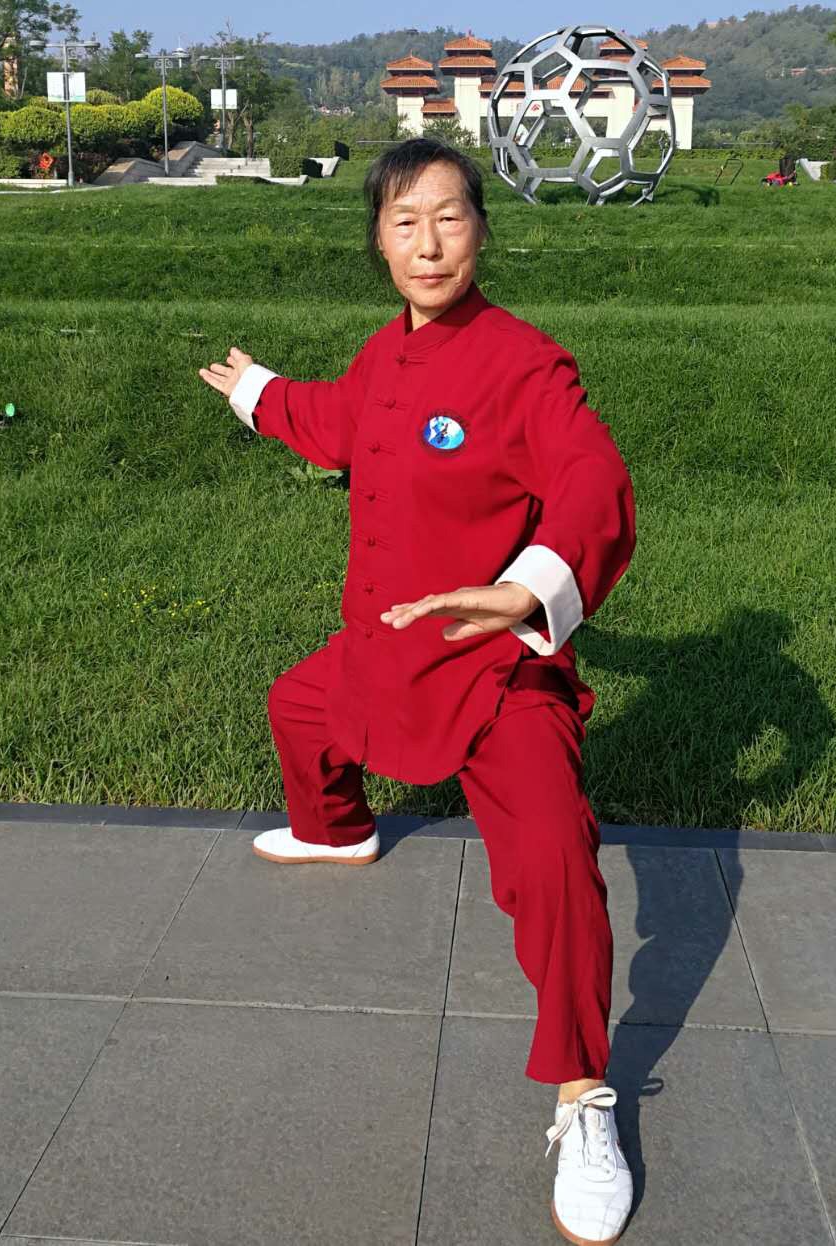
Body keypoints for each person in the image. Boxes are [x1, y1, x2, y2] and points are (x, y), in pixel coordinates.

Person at [198, 137, 637, 1246]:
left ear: (481, 229)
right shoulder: (382, 354)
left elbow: (593, 477)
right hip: (385, 649)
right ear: (380, 243)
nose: (428, 243)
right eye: (404, 222)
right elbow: (337, 420)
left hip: (493, 668)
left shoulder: (526, 365)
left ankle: (584, 1096)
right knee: (299, 707)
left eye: (448, 217)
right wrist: (257, 393)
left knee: (555, 861)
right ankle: (337, 830)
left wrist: (528, 587)